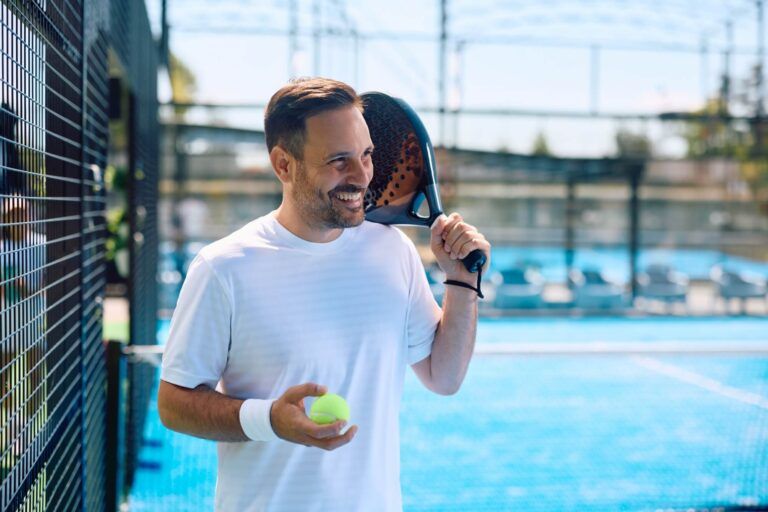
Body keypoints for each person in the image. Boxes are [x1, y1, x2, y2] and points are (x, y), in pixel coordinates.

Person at [157, 77, 491, 511]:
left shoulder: (394, 253)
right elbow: (174, 404)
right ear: (284, 165)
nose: (361, 176)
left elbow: (443, 378)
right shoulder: (222, 268)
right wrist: (269, 420)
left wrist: (462, 283)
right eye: (338, 161)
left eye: (366, 155)